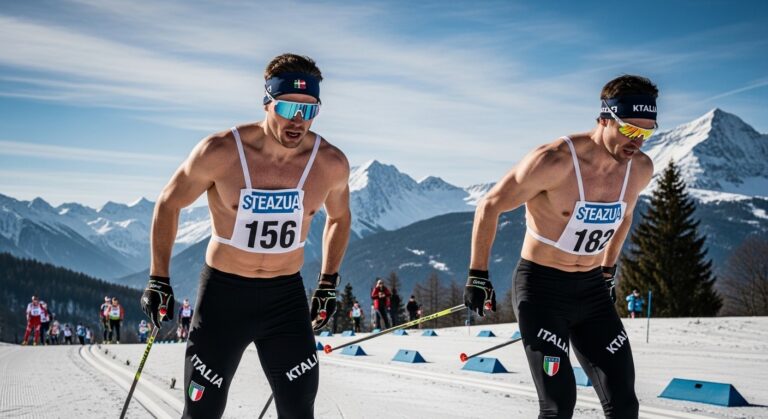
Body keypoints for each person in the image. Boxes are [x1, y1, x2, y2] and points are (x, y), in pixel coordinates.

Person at [140, 53, 351, 418]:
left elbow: (340, 218)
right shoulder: (221, 152)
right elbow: (168, 203)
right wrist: (158, 279)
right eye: (287, 106)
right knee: (202, 411)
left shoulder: (329, 163)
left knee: (300, 409)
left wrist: (329, 282)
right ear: (267, 101)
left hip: (285, 298)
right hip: (224, 297)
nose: (298, 120)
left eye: (309, 109)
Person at [466, 75, 657, 418]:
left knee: (624, 404)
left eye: (646, 133)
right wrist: (478, 274)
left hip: (593, 293)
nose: (637, 143)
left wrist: (609, 270)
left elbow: (624, 216)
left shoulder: (640, 169)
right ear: (604, 119)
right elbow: (489, 206)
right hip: (542, 291)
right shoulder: (554, 161)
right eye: (629, 130)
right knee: (559, 404)